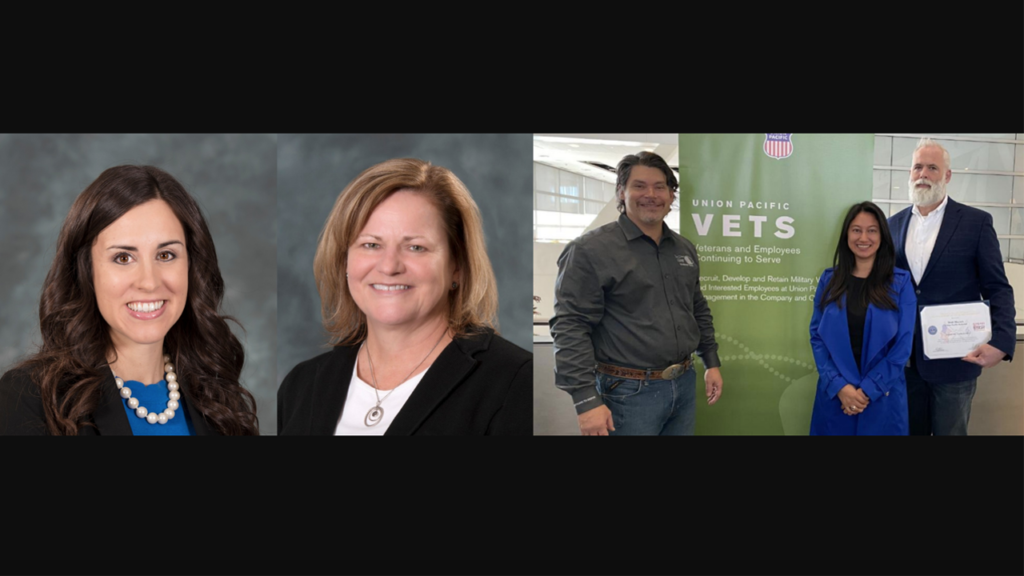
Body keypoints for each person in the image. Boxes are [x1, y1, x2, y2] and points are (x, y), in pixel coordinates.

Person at [276, 158, 531, 435]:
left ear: (457, 265)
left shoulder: (515, 384)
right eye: (371, 244)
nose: (389, 267)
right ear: (344, 260)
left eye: (416, 247)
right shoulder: (301, 386)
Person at [0, 166, 259, 435]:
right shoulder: (29, 400)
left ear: (192, 267)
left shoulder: (222, 402)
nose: (149, 282)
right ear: (86, 272)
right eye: (123, 258)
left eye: (166, 255)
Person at [549, 151, 723, 436]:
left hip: (684, 383)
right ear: (621, 192)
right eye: (639, 186)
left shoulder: (684, 248)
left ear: (671, 195)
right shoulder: (589, 250)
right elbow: (570, 326)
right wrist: (585, 400)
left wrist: (710, 361)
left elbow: (696, 308)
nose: (650, 195)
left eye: (659, 187)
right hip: (627, 393)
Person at [888, 138, 1016, 435]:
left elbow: (997, 287)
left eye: (932, 168)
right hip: (904, 362)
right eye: (918, 167)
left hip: (957, 360)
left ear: (947, 175)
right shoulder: (892, 225)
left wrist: (1001, 342)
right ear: (909, 173)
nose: (923, 174)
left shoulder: (976, 223)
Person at [809, 202, 916, 435]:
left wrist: (868, 390)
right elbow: (817, 337)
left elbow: (902, 346)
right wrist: (839, 386)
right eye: (856, 230)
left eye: (872, 230)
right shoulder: (829, 281)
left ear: (882, 236)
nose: (863, 237)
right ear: (846, 234)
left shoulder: (900, 283)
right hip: (837, 397)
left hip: (882, 396)